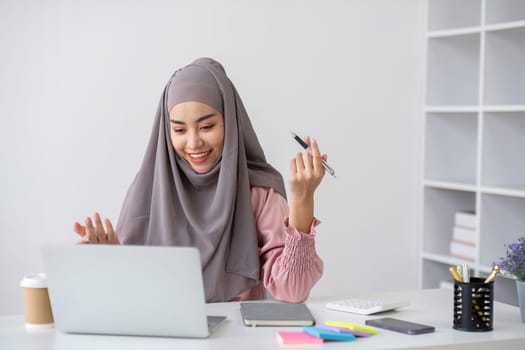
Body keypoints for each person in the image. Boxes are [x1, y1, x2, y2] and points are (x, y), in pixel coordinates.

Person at [73, 57, 326, 303]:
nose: (194, 143)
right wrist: (106, 258)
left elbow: (293, 291)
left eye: (207, 127)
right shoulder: (148, 189)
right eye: (179, 130)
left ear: (230, 123)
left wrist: (303, 200)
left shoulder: (258, 191)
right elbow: (128, 291)